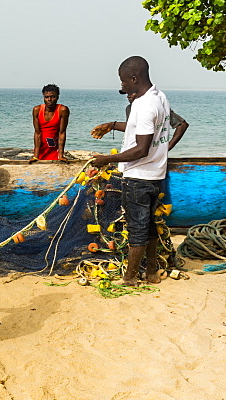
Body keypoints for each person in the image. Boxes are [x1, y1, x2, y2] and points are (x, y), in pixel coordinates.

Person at [90, 56, 172, 286]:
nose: (122, 86)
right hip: (156, 174)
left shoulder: (144, 104)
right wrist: (113, 125)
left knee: (136, 227)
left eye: (124, 81)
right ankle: (152, 272)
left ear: (134, 78)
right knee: (150, 226)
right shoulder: (159, 97)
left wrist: (107, 159)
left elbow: (142, 148)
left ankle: (131, 277)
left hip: (138, 176)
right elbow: (141, 129)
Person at [92, 97, 190, 151]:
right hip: (136, 153)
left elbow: (182, 125)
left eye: (131, 93)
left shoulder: (155, 107)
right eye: (126, 93)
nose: (128, 95)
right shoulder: (130, 108)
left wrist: (167, 147)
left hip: (151, 155)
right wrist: (111, 125)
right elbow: (133, 128)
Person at [31, 84, 71, 161]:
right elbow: (37, 133)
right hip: (41, 148)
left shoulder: (62, 110)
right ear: (43, 97)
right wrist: (35, 156)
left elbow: (62, 133)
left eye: (53, 97)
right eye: (46, 97)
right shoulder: (37, 110)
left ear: (57, 97)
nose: (49, 99)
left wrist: (61, 155)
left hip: (54, 148)